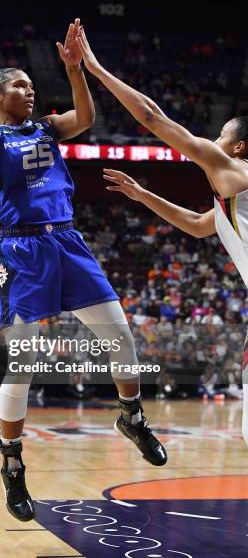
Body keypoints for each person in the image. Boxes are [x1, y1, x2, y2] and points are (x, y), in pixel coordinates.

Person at [0, 19, 167, 523]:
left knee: (120, 336)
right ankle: (13, 465)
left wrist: (74, 69)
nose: (30, 89)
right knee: (22, 366)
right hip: (22, 253)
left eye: (31, 84)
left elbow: (85, 117)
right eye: (20, 85)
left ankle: (132, 417)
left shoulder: (47, 127)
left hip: (67, 241)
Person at [75, 27, 248, 444]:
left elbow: (153, 118)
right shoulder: (232, 200)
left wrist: (96, 69)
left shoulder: (234, 173)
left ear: (239, 147)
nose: (213, 139)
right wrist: (141, 194)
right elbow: (195, 224)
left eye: (222, 134)